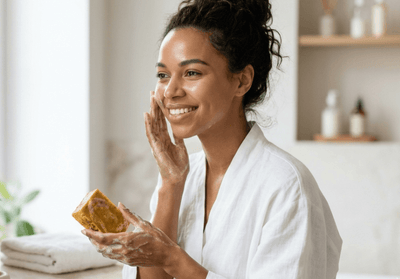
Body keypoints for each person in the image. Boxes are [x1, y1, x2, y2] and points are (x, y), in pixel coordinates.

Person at [81, 0, 343, 278]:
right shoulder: (182, 177)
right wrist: (170, 185)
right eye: (162, 75)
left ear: (242, 81)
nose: (170, 91)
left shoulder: (287, 187)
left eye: (191, 72)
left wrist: (172, 258)